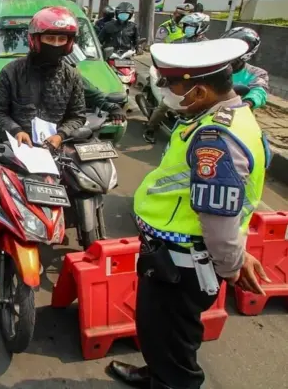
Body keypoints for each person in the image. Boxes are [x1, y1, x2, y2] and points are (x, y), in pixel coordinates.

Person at [108, 38, 270, 389]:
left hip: (184, 263)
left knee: (173, 339)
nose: (164, 90)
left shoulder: (215, 138)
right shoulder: (223, 112)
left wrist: (232, 264)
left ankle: (170, 381)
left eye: (171, 84)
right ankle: (157, 373)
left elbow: (220, 218)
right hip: (173, 256)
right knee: (158, 331)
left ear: (198, 92)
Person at [0, 6, 86, 148]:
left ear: (69, 43)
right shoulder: (11, 72)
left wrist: (61, 135)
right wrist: (16, 130)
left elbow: (77, 116)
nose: (56, 44)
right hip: (15, 146)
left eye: (61, 39)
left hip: (56, 148)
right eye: (50, 38)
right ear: (36, 40)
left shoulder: (71, 76)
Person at [144, 13, 211, 143]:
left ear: (202, 27)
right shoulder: (178, 42)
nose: (187, 29)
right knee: (164, 105)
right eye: (186, 26)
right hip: (177, 81)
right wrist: (164, 75)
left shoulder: (208, 46)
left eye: (191, 26)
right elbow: (165, 60)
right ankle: (150, 129)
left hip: (198, 83)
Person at [221, 27, 269, 110]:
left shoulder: (257, 73)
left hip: (236, 114)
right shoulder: (212, 67)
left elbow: (259, 91)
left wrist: (247, 103)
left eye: (238, 48)